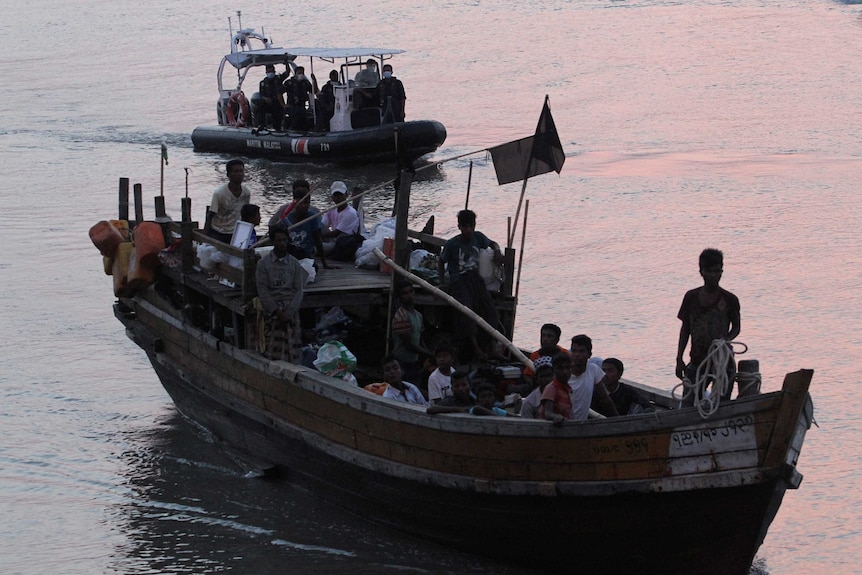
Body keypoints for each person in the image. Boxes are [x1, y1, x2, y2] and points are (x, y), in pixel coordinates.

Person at [675, 248, 741, 405]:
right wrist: (679, 358)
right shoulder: (691, 297)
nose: (714, 275)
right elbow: (685, 330)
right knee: (688, 404)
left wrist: (726, 340)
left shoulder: (730, 299)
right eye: (709, 271)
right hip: (697, 360)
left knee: (721, 404)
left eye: (717, 271)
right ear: (701, 272)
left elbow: (737, 327)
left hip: (722, 361)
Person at [438, 209, 503, 361]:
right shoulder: (452, 244)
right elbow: (441, 262)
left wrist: (497, 250)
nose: (468, 230)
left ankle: (493, 347)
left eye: (471, 226)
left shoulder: (478, 237)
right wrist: (442, 283)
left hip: (475, 279)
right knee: (468, 311)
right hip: (459, 281)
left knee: (490, 309)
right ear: (459, 227)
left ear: (474, 226)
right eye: (465, 227)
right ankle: (476, 348)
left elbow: (493, 243)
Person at [255, 226, 307, 361]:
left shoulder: (294, 264)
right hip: (273, 310)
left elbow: (299, 290)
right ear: (273, 242)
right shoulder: (263, 264)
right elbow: (263, 290)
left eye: (284, 240)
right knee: (273, 349)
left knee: (293, 349)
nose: (282, 243)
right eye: (279, 240)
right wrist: (276, 311)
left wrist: (289, 311)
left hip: (290, 308)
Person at [277, 186, 333, 269]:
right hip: (290, 256)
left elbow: (318, 241)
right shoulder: (286, 219)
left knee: (312, 268)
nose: (304, 206)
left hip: (306, 256)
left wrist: (325, 264)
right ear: (294, 202)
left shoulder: (313, 217)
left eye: (307, 203)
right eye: (301, 203)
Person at [391, 280, 432, 385]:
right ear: (399, 297)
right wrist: (428, 354)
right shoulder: (401, 316)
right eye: (405, 293)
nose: (409, 295)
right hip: (402, 362)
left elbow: (420, 337)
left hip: (414, 361)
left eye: (410, 292)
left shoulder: (418, 315)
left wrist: (428, 353)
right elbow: (408, 345)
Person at [569, 334, 619, 419]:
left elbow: (604, 398)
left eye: (581, 351)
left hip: (581, 423)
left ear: (589, 354)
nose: (577, 354)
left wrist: (618, 418)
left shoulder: (593, 370)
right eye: (574, 351)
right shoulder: (563, 372)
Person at [205, 159, 253, 243]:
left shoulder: (246, 193)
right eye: (236, 171)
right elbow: (210, 215)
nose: (239, 174)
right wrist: (205, 238)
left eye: (241, 171)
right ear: (228, 174)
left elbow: (246, 214)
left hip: (236, 231)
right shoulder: (219, 194)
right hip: (219, 231)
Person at [321, 180, 361, 257]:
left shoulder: (350, 213)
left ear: (346, 195)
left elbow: (335, 233)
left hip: (343, 243)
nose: (337, 198)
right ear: (332, 197)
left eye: (340, 195)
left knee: (317, 248)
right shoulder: (331, 210)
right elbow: (323, 226)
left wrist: (317, 236)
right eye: (335, 195)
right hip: (333, 239)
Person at [540, 354, 575, 424]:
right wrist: (556, 416)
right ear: (554, 370)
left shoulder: (568, 389)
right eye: (560, 368)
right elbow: (547, 413)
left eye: (568, 368)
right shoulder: (551, 388)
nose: (564, 372)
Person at [283, 66, 314, 131]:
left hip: (302, 106)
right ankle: (291, 130)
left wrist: (314, 81)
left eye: (302, 73)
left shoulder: (305, 83)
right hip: (292, 107)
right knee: (297, 119)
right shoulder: (289, 83)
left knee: (304, 121)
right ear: (295, 73)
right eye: (299, 73)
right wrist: (283, 105)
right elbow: (279, 93)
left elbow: (314, 91)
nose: (301, 75)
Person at [257, 64, 286, 130]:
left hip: (277, 102)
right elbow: (261, 94)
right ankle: (261, 125)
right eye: (269, 72)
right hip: (268, 102)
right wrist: (265, 98)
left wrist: (286, 63)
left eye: (271, 71)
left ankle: (278, 127)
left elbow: (287, 73)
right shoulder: (263, 82)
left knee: (277, 113)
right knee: (261, 104)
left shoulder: (278, 79)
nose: (270, 73)